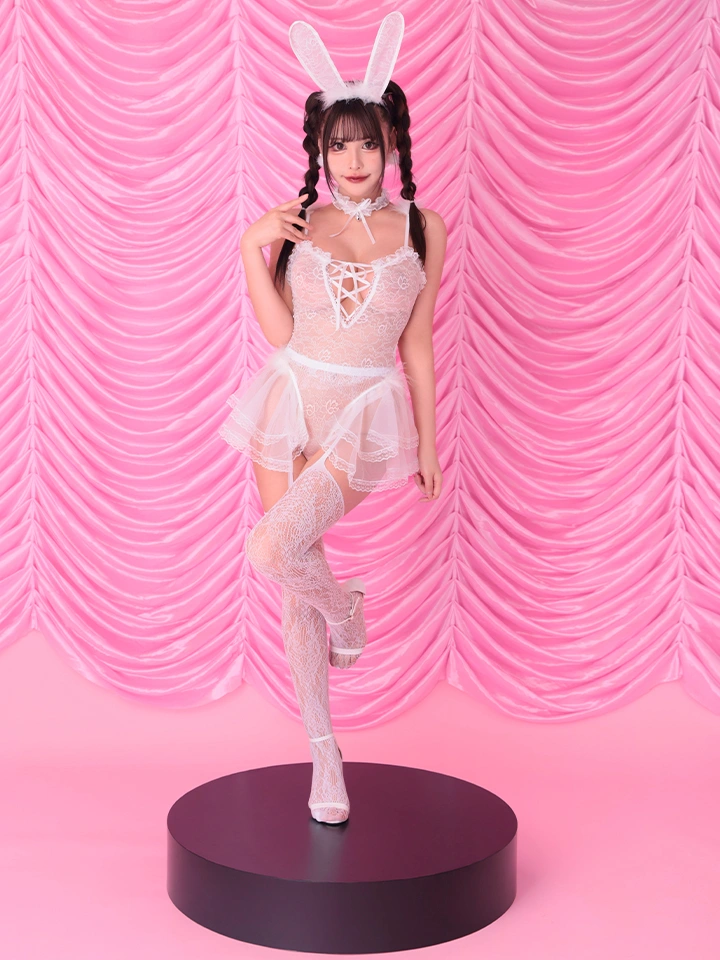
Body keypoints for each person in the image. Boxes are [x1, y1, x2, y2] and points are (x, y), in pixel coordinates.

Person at [219, 11, 447, 824]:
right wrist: (251, 246)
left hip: (363, 411)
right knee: (293, 573)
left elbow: (416, 342)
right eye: (339, 145)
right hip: (289, 404)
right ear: (320, 150)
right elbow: (281, 333)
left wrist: (428, 442)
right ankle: (324, 751)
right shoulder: (299, 221)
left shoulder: (422, 227)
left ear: (391, 147)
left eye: (368, 144)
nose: (353, 160)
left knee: (272, 548)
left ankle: (346, 607)